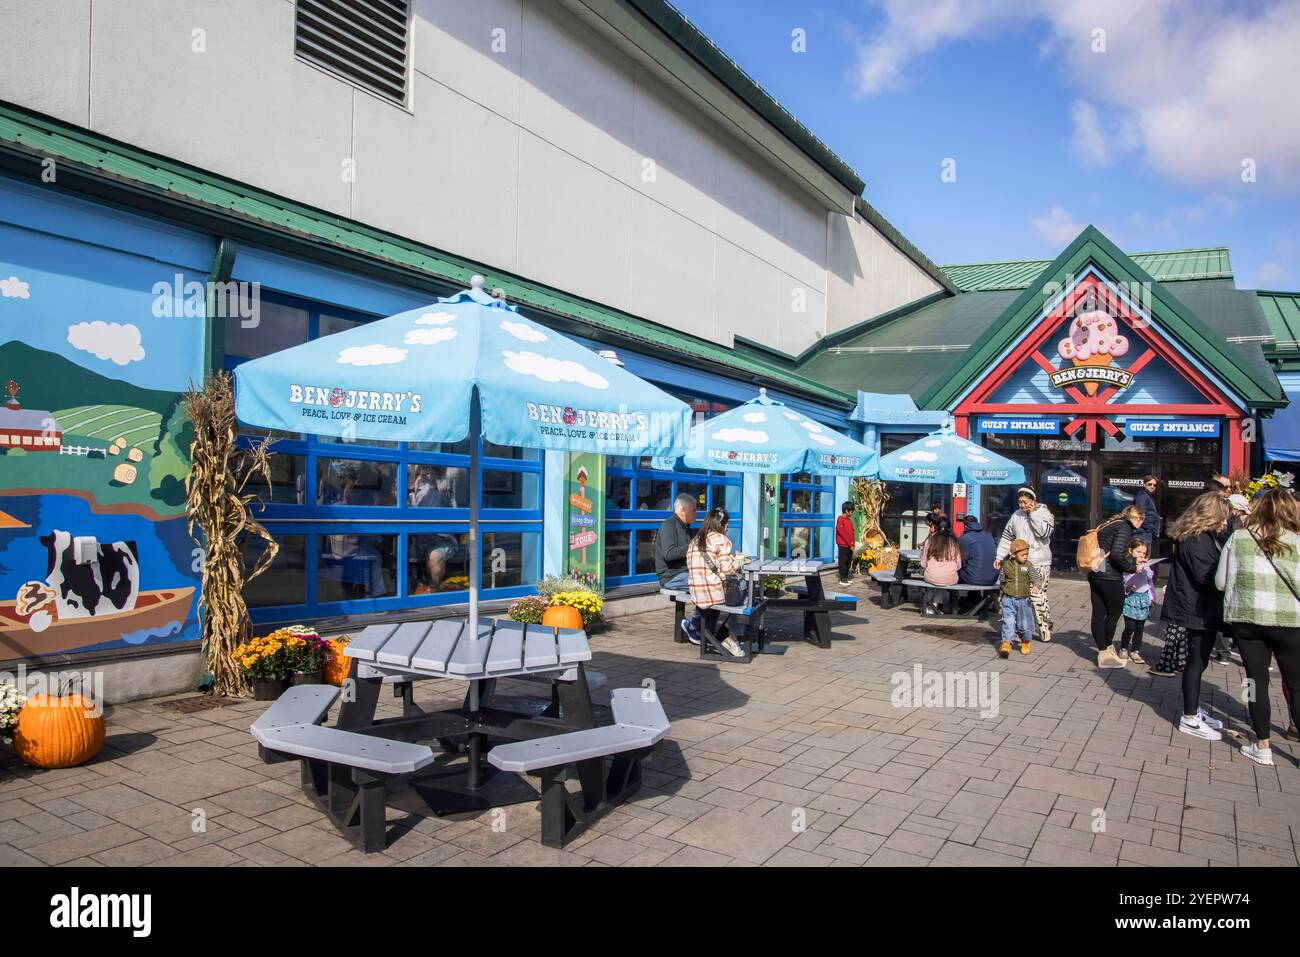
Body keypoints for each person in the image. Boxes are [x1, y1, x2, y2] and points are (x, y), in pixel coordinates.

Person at [1215, 487, 1300, 763]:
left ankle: (1262, 745)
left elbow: (1220, 582)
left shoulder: (1239, 537)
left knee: (1255, 681)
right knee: (1296, 685)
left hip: (1247, 620)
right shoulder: (1297, 540)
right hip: (1290, 621)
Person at [1162, 493, 1230, 740]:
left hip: (1200, 608)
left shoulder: (1204, 537)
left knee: (1199, 661)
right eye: (1223, 518)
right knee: (1196, 660)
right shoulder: (1196, 539)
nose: (1225, 523)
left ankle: (1194, 709)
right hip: (1196, 609)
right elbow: (1207, 577)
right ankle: (1189, 717)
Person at [685, 506, 749, 657]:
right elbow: (728, 570)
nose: (727, 529)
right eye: (726, 525)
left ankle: (723, 631)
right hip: (712, 593)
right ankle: (732, 638)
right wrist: (739, 561)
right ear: (720, 525)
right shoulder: (721, 540)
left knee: (741, 591)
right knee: (749, 591)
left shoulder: (695, 540)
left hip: (697, 593)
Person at [1087, 504, 1144, 668]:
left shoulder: (1110, 523)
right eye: (1141, 519)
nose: (1141, 523)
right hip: (1110, 577)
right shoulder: (1124, 527)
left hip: (1096, 572)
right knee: (1114, 613)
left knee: (1098, 613)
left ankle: (1103, 650)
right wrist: (1133, 567)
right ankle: (1106, 650)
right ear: (1135, 518)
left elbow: (1106, 549)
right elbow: (1117, 555)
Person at [994, 487, 1055, 641]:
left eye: (1025, 502)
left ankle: (1044, 628)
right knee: (1016, 595)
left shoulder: (1044, 513)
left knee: (1037, 597)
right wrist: (1000, 556)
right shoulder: (1016, 515)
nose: (1022, 505)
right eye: (1020, 502)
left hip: (1039, 562)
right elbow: (1007, 537)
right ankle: (1015, 630)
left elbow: (1044, 533)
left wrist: (1033, 514)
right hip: (1018, 562)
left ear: (1033, 501)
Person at [654, 492, 700, 643]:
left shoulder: (686, 527)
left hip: (684, 573)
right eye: (694, 510)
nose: (697, 513)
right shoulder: (669, 526)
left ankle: (702, 627)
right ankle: (694, 626)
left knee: (712, 582)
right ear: (682, 511)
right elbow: (669, 554)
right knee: (705, 584)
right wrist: (692, 546)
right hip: (671, 576)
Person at [997, 538, 1042, 658]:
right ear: (1013, 554)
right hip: (1009, 599)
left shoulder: (1028, 566)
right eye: (1022, 555)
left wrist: (1036, 586)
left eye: (1027, 554)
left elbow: (1037, 579)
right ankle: (1006, 643)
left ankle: (1025, 642)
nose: (1025, 557)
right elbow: (1002, 581)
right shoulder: (1006, 565)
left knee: (1025, 624)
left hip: (1024, 600)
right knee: (1008, 622)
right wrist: (1000, 595)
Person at [1120, 538, 1154, 665]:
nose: (1141, 555)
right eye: (1138, 551)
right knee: (1130, 626)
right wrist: (1127, 588)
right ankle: (1123, 647)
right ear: (1131, 551)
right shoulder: (1127, 565)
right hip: (1131, 598)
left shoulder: (1146, 566)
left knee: (1140, 627)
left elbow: (1149, 582)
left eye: (1144, 553)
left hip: (1143, 599)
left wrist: (1152, 598)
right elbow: (1123, 581)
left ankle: (1135, 651)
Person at [921, 520, 962, 615]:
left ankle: (928, 605)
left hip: (931, 576)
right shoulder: (954, 541)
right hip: (950, 577)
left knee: (932, 578)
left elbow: (923, 564)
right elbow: (959, 564)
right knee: (942, 583)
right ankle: (935, 605)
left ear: (936, 527)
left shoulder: (930, 540)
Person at [956, 513, 997, 586]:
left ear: (965, 526)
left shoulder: (965, 538)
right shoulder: (989, 535)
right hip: (993, 578)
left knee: (954, 573)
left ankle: (955, 597)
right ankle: (977, 596)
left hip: (974, 578)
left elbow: (962, 560)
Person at [1133, 475, 1162, 549]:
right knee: (1143, 557)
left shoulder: (1147, 496)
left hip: (1145, 532)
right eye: (1150, 484)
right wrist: (1149, 528)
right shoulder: (1143, 496)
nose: (1152, 486)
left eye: (1154, 485)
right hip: (1143, 533)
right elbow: (1140, 514)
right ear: (1144, 484)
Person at [835, 502, 856, 585]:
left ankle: (846, 577)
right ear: (846, 511)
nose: (852, 513)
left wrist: (853, 544)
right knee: (843, 562)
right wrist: (850, 544)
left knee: (848, 561)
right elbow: (844, 534)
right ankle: (842, 579)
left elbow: (851, 533)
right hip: (843, 545)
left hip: (850, 545)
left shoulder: (849, 521)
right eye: (851, 511)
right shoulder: (840, 520)